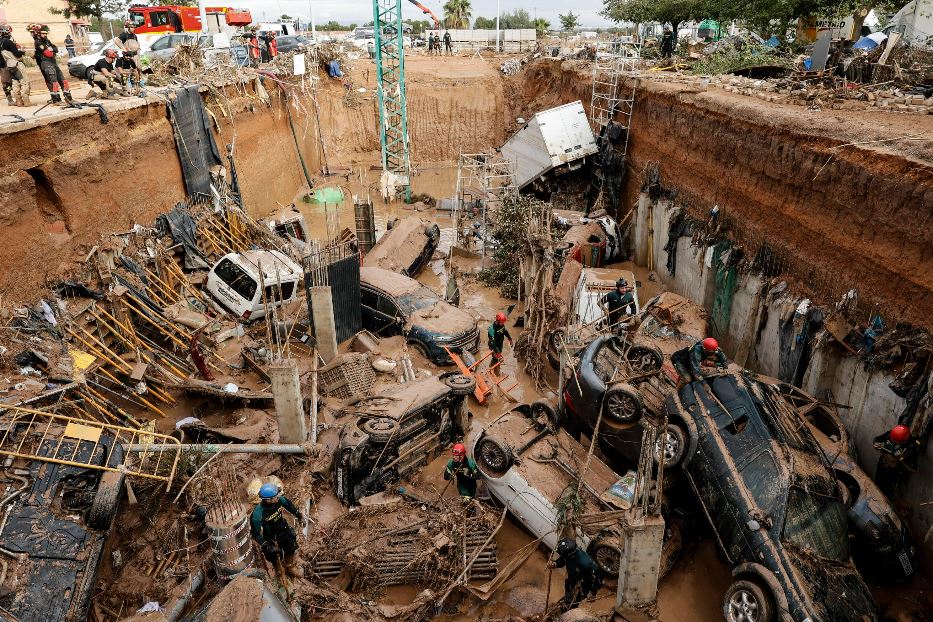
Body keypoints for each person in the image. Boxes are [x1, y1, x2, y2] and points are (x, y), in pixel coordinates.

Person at [250, 482, 306, 577]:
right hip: (271, 538)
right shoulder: (257, 514)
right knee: (274, 556)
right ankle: (279, 572)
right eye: (276, 496)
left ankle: (290, 566)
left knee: (290, 547)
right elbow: (256, 534)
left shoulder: (280, 500)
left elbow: (289, 506)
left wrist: (299, 516)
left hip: (283, 529)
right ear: (268, 500)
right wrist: (266, 546)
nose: (278, 497)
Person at [548, 539, 602, 611]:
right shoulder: (569, 555)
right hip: (571, 581)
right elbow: (563, 560)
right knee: (567, 599)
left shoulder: (585, 562)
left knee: (570, 604)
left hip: (581, 587)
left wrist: (593, 592)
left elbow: (599, 574)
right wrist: (555, 564)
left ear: (570, 555)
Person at [30, 24, 72, 104]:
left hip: (53, 62)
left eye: (46, 33)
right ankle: (56, 100)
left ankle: (68, 98)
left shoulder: (47, 40)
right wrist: (53, 52)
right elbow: (49, 54)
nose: (45, 35)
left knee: (63, 80)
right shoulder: (38, 42)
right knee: (53, 81)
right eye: (43, 33)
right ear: (39, 33)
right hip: (46, 63)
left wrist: (52, 50)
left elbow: (56, 48)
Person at [1, 24, 29, 106]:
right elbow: (16, 53)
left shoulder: (3, 41)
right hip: (5, 65)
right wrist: (22, 51)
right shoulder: (6, 41)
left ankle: (16, 100)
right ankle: (10, 99)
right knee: (9, 83)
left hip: (6, 64)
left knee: (12, 82)